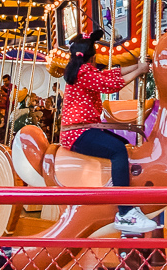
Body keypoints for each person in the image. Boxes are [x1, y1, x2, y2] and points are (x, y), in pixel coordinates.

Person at [60, 29, 154, 233]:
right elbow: (109, 85)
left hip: (83, 129)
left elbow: (111, 74)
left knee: (122, 145)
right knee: (117, 151)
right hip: (78, 132)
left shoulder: (82, 71)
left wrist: (138, 66)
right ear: (93, 57)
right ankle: (125, 212)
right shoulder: (84, 73)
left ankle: (120, 191)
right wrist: (139, 71)